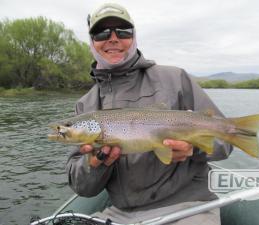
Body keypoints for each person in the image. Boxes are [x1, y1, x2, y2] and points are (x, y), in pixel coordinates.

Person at [66, 3, 232, 224]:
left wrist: (193, 148)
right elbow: (82, 188)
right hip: (121, 213)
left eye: (122, 31)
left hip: (188, 206)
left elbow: (226, 139)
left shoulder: (176, 80)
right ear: (92, 42)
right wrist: (95, 165)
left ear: (134, 37)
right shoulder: (85, 107)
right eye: (102, 32)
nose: (113, 38)